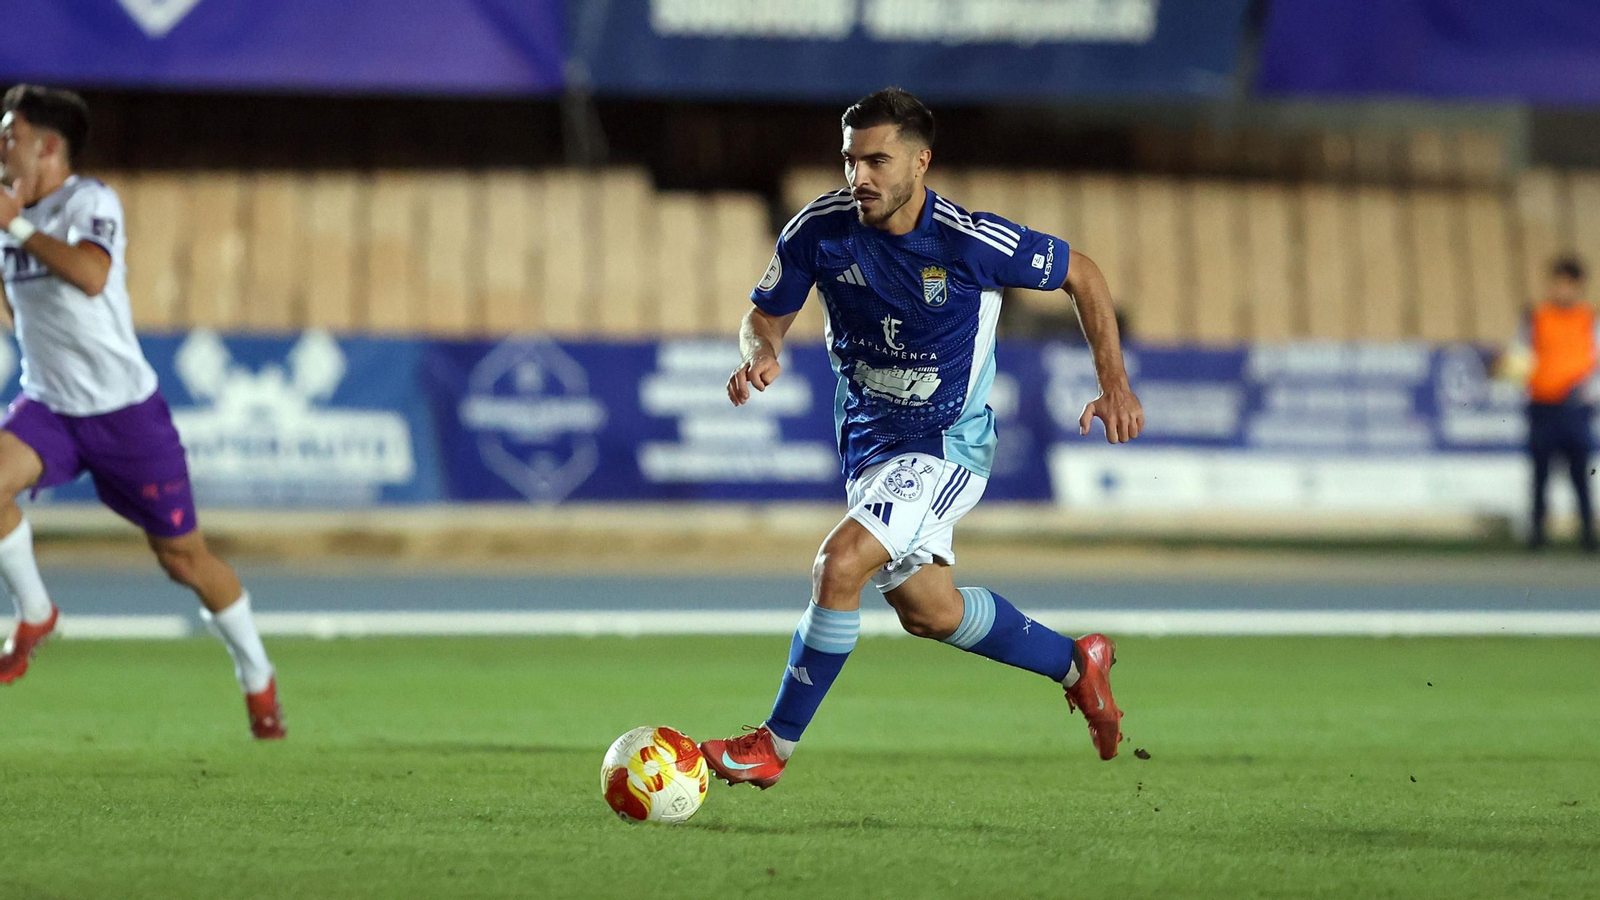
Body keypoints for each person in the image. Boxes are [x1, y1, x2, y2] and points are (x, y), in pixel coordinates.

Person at [700, 88, 1143, 788]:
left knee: (839, 564)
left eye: (877, 160)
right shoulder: (819, 230)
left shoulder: (970, 241)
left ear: (920, 162)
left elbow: (1081, 274)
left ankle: (771, 747)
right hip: (869, 449)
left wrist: (1114, 384)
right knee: (930, 612)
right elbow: (765, 315)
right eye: (850, 160)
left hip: (946, 446)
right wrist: (761, 352)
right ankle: (1075, 663)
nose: (859, 176)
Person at [0, 84, 285, 738]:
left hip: (124, 414)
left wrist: (13, 224)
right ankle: (36, 612)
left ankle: (257, 676)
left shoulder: (89, 201)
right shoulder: (11, 215)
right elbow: (18, 308)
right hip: (50, 407)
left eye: (10, 136)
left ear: (48, 146)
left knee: (183, 560)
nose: (0, 147)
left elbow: (91, 276)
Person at [1504, 256, 1597, 551]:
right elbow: (1520, 357)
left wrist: (1587, 393)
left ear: (1579, 286)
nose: (1562, 290)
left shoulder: (1589, 320)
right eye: (1558, 283)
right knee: (1540, 474)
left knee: (1580, 474)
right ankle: (1537, 534)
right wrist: (1507, 373)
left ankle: (1587, 535)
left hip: (1575, 408)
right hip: (1543, 406)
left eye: (1569, 284)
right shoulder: (1537, 318)